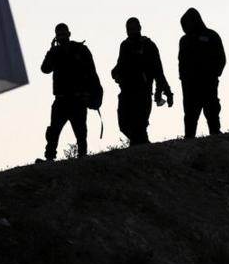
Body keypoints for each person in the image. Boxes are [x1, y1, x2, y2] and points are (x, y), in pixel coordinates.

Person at [40, 23, 102, 161]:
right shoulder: (55, 53)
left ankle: (83, 157)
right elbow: (45, 69)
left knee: (81, 133)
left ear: (69, 34)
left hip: (77, 99)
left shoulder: (81, 50)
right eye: (59, 34)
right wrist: (50, 52)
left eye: (63, 33)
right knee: (53, 132)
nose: (62, 37)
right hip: (61, 99)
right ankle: (49, 157)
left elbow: (92, 74)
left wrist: (95, 96)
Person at [111, 17, 173, 145]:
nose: (132, 31)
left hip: (142, 93)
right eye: (129, 29)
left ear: (140, 28)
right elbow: (120, 65)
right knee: (123, 124)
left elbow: (158, 70)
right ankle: (141, 145)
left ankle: (141, 149)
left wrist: (165, 91)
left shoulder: (148, 45)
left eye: (134, 28)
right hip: (126, 92)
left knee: (139, 126)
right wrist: (115, 73)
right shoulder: (124, 45)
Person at [178, 8, 226, 138]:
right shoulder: (184, 41)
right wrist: (183, 77)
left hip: (208, 81)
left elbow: (221, 57)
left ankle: (215, 133)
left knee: (212, 108)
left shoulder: (211, 36)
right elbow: (181, 60)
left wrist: (215, 74)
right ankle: (189, 137)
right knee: (190, 112)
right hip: (190, 84)